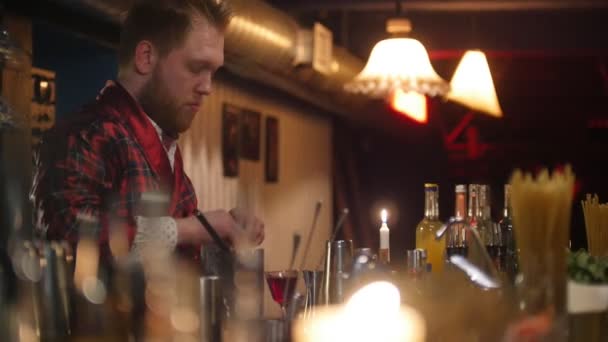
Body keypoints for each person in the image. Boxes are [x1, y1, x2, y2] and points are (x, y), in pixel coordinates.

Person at [30, 0, 264, 261]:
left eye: (213, 72)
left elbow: (176, 261)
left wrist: (224, 230)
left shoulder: (165, 149)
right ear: (146, 57)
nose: (207, 87)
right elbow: (66, 237)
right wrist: (191, 229)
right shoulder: (85, 134)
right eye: (197, 68)